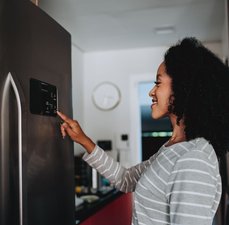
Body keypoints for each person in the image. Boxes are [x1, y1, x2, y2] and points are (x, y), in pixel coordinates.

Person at [57, 37, 229, 225]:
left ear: (183, 86)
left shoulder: (194, 159)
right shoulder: (172, 148)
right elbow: (125, 179)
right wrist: (83, 140)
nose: (151, 92)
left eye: (158, 83)